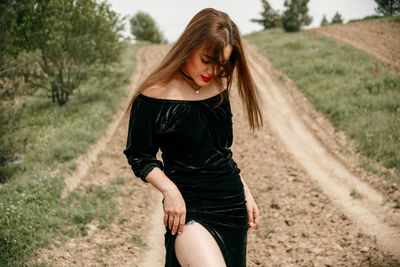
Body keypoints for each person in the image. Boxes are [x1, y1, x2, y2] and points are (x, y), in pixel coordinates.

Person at [123, 7, 263, 267]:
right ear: (189, 46)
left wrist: (244, 190)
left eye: (222, 64)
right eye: (207, 59)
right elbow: (138, 155)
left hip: (230, 204)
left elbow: (220, 152)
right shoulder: (153, 94)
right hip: (188, 208)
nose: (213, 71)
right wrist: (169, 190)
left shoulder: (219, 87)